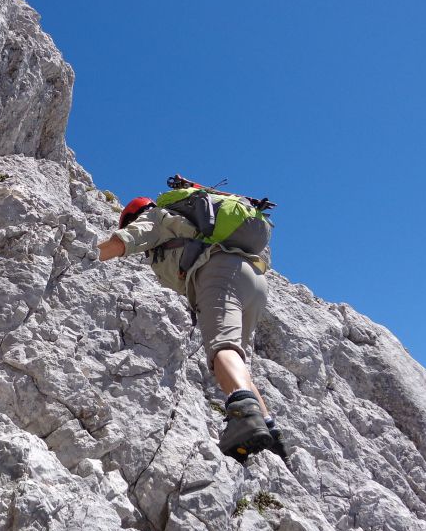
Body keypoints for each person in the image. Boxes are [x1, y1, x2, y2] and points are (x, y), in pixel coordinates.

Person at [97, 195, 287, 462]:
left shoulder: (156, 217)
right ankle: (270, 433)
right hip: (253, 280)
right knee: (233, 358)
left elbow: (122, 243)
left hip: (220, 270)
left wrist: (84, 254)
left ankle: (245, 415)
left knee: (222, 348)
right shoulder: (189, 224)